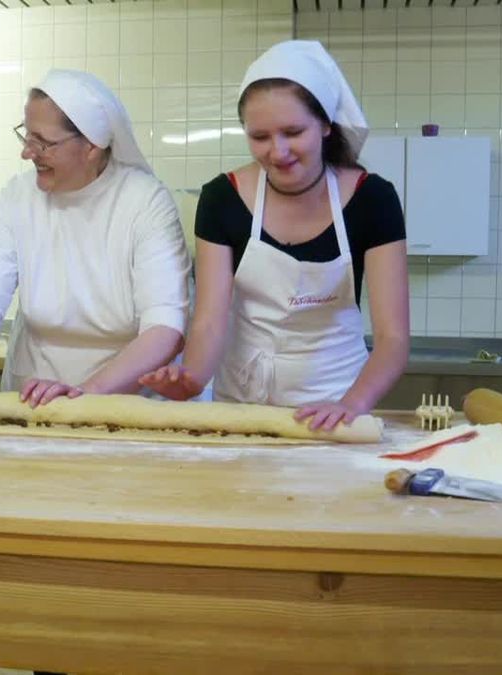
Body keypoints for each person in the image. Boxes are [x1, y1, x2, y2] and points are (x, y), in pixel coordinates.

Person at [139, 40, 409, 431]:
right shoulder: (222, 197)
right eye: (260, 137)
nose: (277, 151)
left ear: (326, 125)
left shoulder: (372, 198)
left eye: (293, 132)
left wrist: (352, 404)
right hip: (242, 405)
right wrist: (192, 379)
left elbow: (393, 337)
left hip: (337, 401)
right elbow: (211, 320)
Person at [0, 69, 191, 418]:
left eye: (42, 142)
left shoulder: (144, 202)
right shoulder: (18, 197)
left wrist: (86, 395)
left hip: (125, 405)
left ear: (91, 146)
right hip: (33, 403)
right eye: (26, 137)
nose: (28, 153)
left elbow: (165, 328)